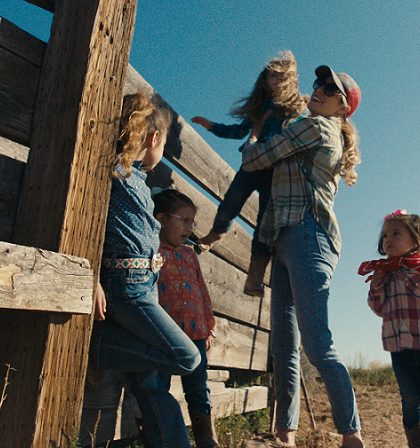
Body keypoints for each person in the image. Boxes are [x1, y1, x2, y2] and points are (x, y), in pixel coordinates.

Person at [240, 65, 364, 448]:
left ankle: (352, 435)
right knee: (283, 344)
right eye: (318, 83)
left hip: (309, 236)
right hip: (288, 239)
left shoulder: (317, 127)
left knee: (315, 344)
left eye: (329, 88)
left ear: (343, 107)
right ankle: (285, 435)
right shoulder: (312, 127)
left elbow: (256, 159)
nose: (318, 90)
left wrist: (254, 136)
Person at [91, 92, 201, 448]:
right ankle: (102, 346)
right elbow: (88, 224)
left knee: (149, 378)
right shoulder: (113, 171)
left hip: (144, 284)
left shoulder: (137, 179)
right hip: (126, 284)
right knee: (187, 357)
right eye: (164, 144)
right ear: (153, 138)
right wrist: (91, 277)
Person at [191, 50, 308, 298]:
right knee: (231, 201)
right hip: (252, 165)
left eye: (280, 76)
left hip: (276, 174)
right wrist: (210, 126)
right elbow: (237, 131)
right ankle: (216, 232)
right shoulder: (260, 108)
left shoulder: (298, 110)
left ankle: (254, 277)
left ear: (290, 80)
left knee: (264, 226)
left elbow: (304, 135)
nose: (274, 80)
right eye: (270, 76)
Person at [358, 210, 420, 448]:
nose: (388, 239)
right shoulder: (386, 276)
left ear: (415, 241)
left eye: (396, 233)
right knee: (410, 399)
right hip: (400, 351)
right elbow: (377, 308)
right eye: (385, 236)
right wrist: (376, 285)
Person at [152, 189, 220, 448]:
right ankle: (163, 439)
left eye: (192, 223)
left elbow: (201, 289)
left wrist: (209, 325)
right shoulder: (153, 250)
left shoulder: (190, 254)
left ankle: (207, 440)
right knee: (160, 387)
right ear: (161, 219)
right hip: (164, 334)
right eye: (183, 221)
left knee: (198, 389)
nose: (189, 228)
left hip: (195, 333)